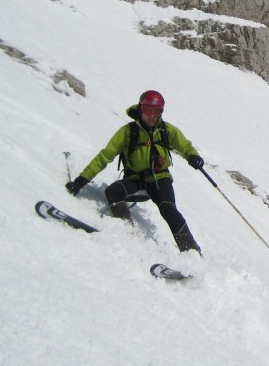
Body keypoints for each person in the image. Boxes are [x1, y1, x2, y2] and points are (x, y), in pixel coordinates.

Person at [66, 90, 205, 254]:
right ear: (140, 108)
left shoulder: (167, 130)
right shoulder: (127, 132)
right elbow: (105, 156)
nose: (152, 115)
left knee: (168, 208)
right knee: (113, 191)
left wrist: (193, 156)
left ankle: (191, 250)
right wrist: (81, 180)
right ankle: (127, 231)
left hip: (160, 179)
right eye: (148, 110)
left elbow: (185, 146)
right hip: (134, 180)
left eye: (157, 111)